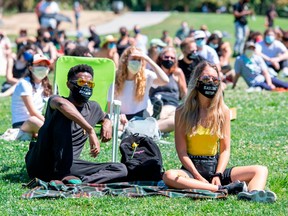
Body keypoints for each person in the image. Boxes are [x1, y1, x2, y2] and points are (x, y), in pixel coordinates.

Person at [162, 61, 277, 203]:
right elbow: (181, 152)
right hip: (191, 170)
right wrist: (197, 175)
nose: (210, 82)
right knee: (169, 175)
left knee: (260, 170)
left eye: (215, 79)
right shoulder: (181, 111)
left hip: (216, 168)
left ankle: (252, 194)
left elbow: (225, 149)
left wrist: (218, 174)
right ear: (196, 81)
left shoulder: (223, 111)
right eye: (205, 79)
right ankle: (223, 189)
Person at [25, 64, 128, 184]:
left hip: (70, 165)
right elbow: (62, 105)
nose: (86, 86)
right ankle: (64, 176)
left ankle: (79, 181)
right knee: (62, 115)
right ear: (69, 84)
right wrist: (90, 130)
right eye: (81, 82)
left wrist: (107, 122)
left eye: (90, 84)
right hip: (42, 164)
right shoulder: (55, 101)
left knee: (120, 168)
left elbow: (104, 116)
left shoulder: (93, 108)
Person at [108, 46, 169, 129]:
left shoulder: (146, 75)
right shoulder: (114, 76)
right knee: (116, 127)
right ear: (126, 60)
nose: (136, 62)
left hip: (141, 114)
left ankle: (152, 118)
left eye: (139, 60)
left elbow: (165, 80)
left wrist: (147, 59)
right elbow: (109, 107)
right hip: (121, 116)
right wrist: (118, 116)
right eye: (133, 59)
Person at [11, 54, 52, 140]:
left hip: (39, 121)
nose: (43, 68)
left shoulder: (46, 86)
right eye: (39, 65)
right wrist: (49, 123)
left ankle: (39, 134)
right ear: (30, 68)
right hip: (22, 123)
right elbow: (32, 112)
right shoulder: (24, 84)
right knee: (33, 120)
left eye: (45, 66)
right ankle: (51, 135)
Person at [150, 46, 187, 133]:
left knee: (174, 119)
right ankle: (155, 127)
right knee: (159, 112)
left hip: (171, 104)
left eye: (172, 58)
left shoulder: (177, 73)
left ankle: (150, 127)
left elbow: (184, 91)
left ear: (175, 60)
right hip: (154, 102)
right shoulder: (153, 72)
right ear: (160, 58)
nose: (169, 59)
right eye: (166, 57)